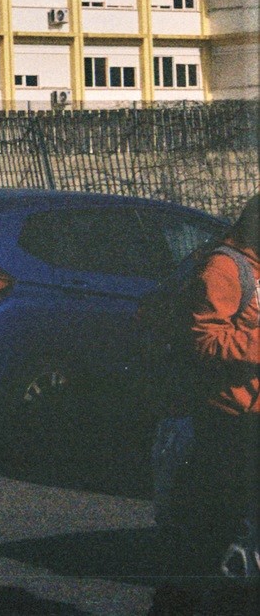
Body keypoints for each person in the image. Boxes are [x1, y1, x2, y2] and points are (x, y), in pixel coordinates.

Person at [152, 194, 260, 615]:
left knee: (237, 529)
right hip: (229, 420)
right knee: (215, 527)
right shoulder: (224, 268)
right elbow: (206, 341)